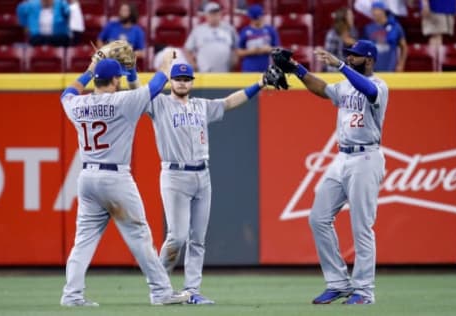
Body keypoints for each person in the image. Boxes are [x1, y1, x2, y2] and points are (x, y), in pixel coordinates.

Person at [59, 51, 189, 306]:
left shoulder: (79, 104)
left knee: (83, 240)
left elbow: (67, 93)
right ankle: (161, 292)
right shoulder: (123, 101)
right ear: (116, 80)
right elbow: (156, 85)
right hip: (115, 178)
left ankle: (71, 295)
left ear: (96, 80)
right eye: (118, 77)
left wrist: (88, 69)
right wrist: (167, 62)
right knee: (139, 236)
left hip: (87, 177)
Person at [145, 63, 265, 304]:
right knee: (177, 237)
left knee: (197, 239)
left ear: (192, 81)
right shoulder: (158, 104)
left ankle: (192, 291)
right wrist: (129, 74)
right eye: (177, 78)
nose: (182, 82)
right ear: (170, 81)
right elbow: (139, 93)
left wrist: (259, 84)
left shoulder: (201, 105)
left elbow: (229, 102)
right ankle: (159, 287)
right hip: (175, 175)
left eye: (186, 78)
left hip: (202, 175)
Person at [286, 40, 387, 304]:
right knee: (318, 218)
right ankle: (338, 282)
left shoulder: (379, 85)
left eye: (355, 56)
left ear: (369, 59)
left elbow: (366, 89)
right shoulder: (344, 85)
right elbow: (322, 89)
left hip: (367, 157)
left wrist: (340, 65)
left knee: (361, 227)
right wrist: (297, 69)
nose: (350, 58)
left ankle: (364, 291)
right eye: (348, 56)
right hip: (342, 156)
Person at [184, 1, 238, 72]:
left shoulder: (229, 29)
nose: (214, 16)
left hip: (225, 72)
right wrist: (193, 65)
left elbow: (236, 48)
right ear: (206, 15)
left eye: (216, 14)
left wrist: (234, 60)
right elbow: (187, 49)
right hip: (204, 72)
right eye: (211, 14)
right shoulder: (198, 30)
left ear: (220, 14)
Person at [363, 1, 408, 71]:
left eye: (376, 10)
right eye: (372, 10)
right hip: (373, 70)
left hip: (390, 68)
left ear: (383, 11)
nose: (374, 12)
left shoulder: (395, 27)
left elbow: (404, 47)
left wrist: (401, 64)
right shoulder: (368, 28)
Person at [237, 4, 280, 72]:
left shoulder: (270, 30)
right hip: (249, 68)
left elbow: (278, 49)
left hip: (266, 67)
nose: (257, 20)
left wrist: (269, 49)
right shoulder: (245, 31)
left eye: (258, 18)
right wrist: (251, 51)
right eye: (254, 18)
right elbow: (239, 52)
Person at [420, 0, 456, 69]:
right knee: (436, 36)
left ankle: (438, 66)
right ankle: (434, 67)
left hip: (448, 9)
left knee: (441, 38)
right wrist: (425, 5)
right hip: (434, 8)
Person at [324, 7, 358, 72]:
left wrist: (355, 44)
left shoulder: (353, 32)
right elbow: (328, 59)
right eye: (350, 16)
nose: (353, 17)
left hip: (350, 71)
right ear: (343, 19)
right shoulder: (332, 35)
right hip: (334, 71)